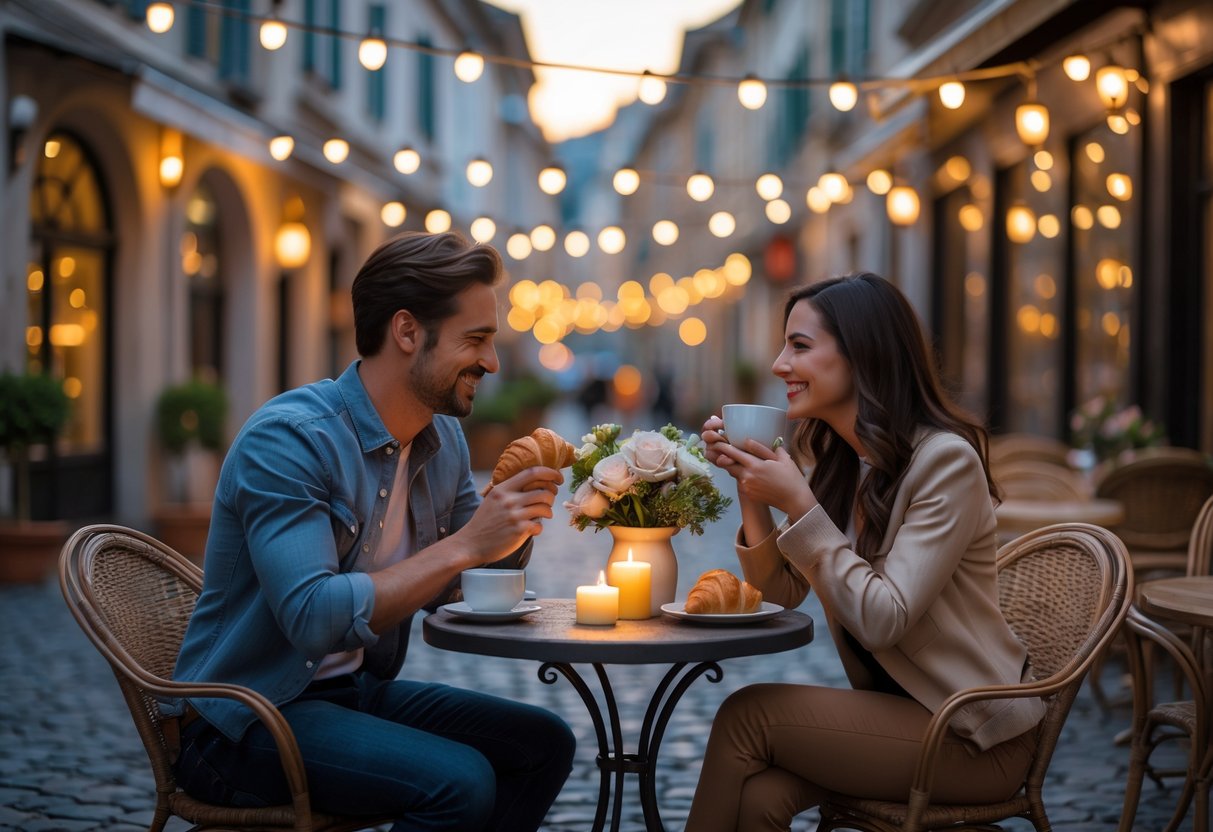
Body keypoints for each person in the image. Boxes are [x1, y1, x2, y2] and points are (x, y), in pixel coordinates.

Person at [168, 231, 576, 831]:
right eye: (476, 340)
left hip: (351, 694)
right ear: (407, 332)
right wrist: (465, 544)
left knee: (545, 742)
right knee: (459, 783)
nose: (492, 363)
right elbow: (312, 618)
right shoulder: (290, 440)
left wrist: (514, 523)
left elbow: (475, 579)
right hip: (245, 717)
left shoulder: (443, 440)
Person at [686, 273, 1045, 831]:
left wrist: (799, 505)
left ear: (862, 355)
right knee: (760, 798)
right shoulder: (847, 463)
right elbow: (782, 592)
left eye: (800, 346)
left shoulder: (944, 463)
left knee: (746, 714)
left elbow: (883, 618)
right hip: (901, 716)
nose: (780, 365)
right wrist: (750, 489)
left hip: (972, 735)